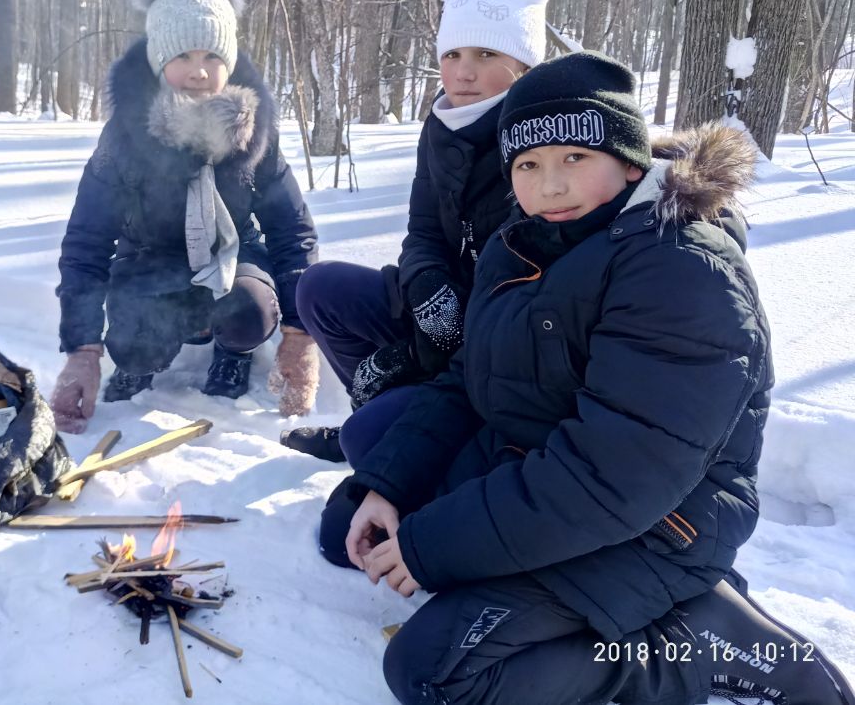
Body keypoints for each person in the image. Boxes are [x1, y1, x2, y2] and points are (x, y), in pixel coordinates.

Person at [318, 53, 853, 705]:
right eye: (527, 165)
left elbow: (613, 475)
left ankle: (691, 644)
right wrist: (386, 485)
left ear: (629, 162)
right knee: (349, 529)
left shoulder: (681, 267)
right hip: (544, 469)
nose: (550, 186)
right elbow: (466, 382)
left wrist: (431, 545)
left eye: (574, 157)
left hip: (657, 523)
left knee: (435, 671)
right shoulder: (522, 245)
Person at [284, 0, 549, 462]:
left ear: (524, 64)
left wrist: (412, 356)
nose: (463, 73)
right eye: (452, 55)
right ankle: (383, 410)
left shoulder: (541, 144)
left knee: (366, 443)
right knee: (320, 288)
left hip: (502, 350)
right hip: (442, 315)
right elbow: (423, 229)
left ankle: (402, 422)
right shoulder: (442, 124)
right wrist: (425, 282)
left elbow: (522, 294)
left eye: (485, 54)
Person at [51, 0, 320, 434]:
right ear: (160, 62)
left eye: (212, 57)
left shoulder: (254, 132)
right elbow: (87, 241)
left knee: (251, 311)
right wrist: (83, 351)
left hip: (234, 258)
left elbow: (291, 228)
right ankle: (143, 359)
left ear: (229, 62)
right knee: (133, 341)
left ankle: (233, 351)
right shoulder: (124, 136)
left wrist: (300, 335)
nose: (199, 72)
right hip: (149, 259)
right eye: (183, 57)